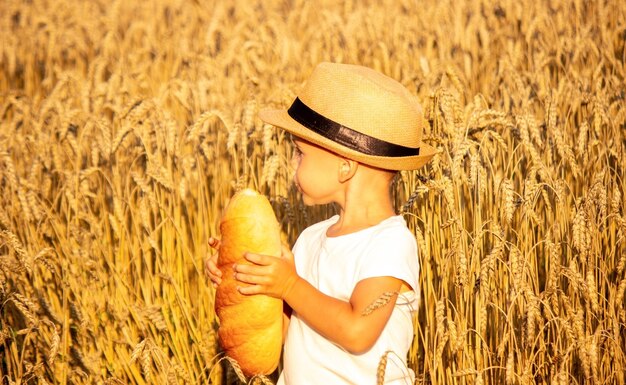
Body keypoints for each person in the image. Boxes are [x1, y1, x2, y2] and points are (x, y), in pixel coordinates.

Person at [206, 62, 436, 384]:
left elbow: (358, 331)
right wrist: (244, 281)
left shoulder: (390, 243)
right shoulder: (311, 238)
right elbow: (287, 337)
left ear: (345, 167)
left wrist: (288, 284)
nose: (291, 163)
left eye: (300, 153)